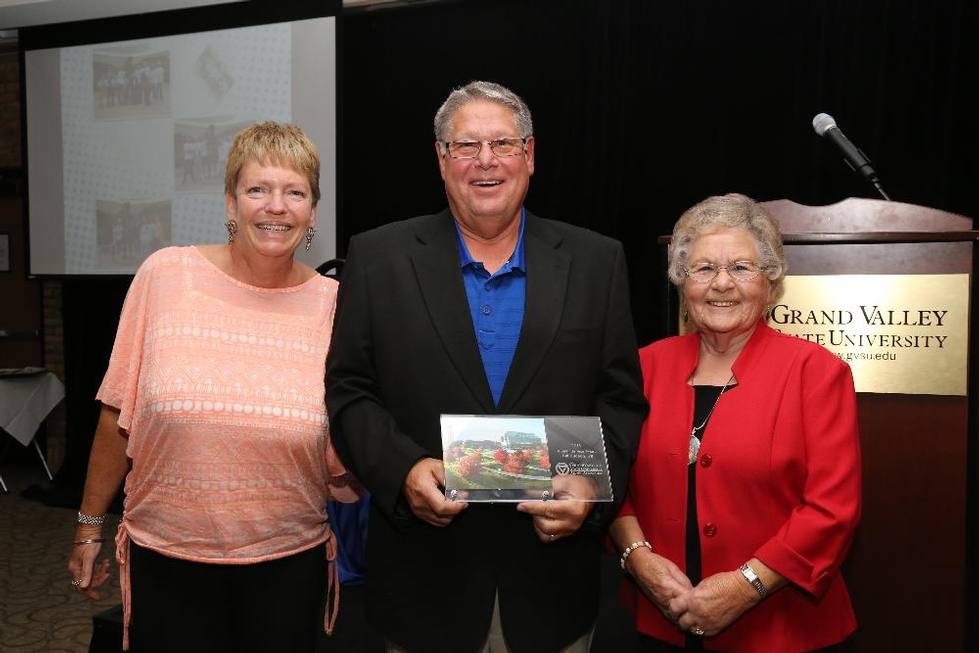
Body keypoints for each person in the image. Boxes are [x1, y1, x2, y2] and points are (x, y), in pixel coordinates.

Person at [326, 80, 648, 653]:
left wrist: (591, 491)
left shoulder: (598, 261)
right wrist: (401, 471)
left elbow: (619, 398)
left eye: (502, 143)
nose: (486, 161)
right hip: (423, 582)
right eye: (466, 145)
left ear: (530, 154)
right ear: (441, 159)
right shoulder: (377, 258)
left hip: (553, 586)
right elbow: (349, 389)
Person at [67, 122, 359, 653]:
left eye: (295, 192)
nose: (277, 207)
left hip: (288, 566)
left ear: (312, 212)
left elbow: (352, 437)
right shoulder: (165, 276)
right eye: (257, 190)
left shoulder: (336, 307)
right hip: (168, 560)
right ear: (230, 202)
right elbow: (117, 414)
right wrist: (88, 527)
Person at [610, 193, 861, 652]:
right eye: (703, 269)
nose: (721, 284)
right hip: (657, 623)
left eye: (741, 268)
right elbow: (611, 479)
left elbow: (831, 510)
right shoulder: (643, 367)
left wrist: (745, 586)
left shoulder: (816, 372)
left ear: (770, 280)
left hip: (783, 629)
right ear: (681, 282)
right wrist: (637, 558)